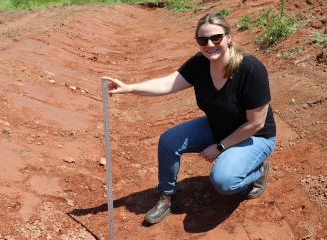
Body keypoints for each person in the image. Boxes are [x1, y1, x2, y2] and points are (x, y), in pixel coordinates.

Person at [102, 13, 276, 224]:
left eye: (217, 38)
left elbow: (256, 123)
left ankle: (257, 171)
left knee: (224, 182)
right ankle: (167, 196)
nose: (210, 45)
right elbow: (167, 84)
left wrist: (220, 147)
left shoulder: (251, 69)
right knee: (169, 140)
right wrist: (129, 88)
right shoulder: (200, 63)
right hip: (217, 126)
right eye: (203, 40)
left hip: (254, 136)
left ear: (229, 37)